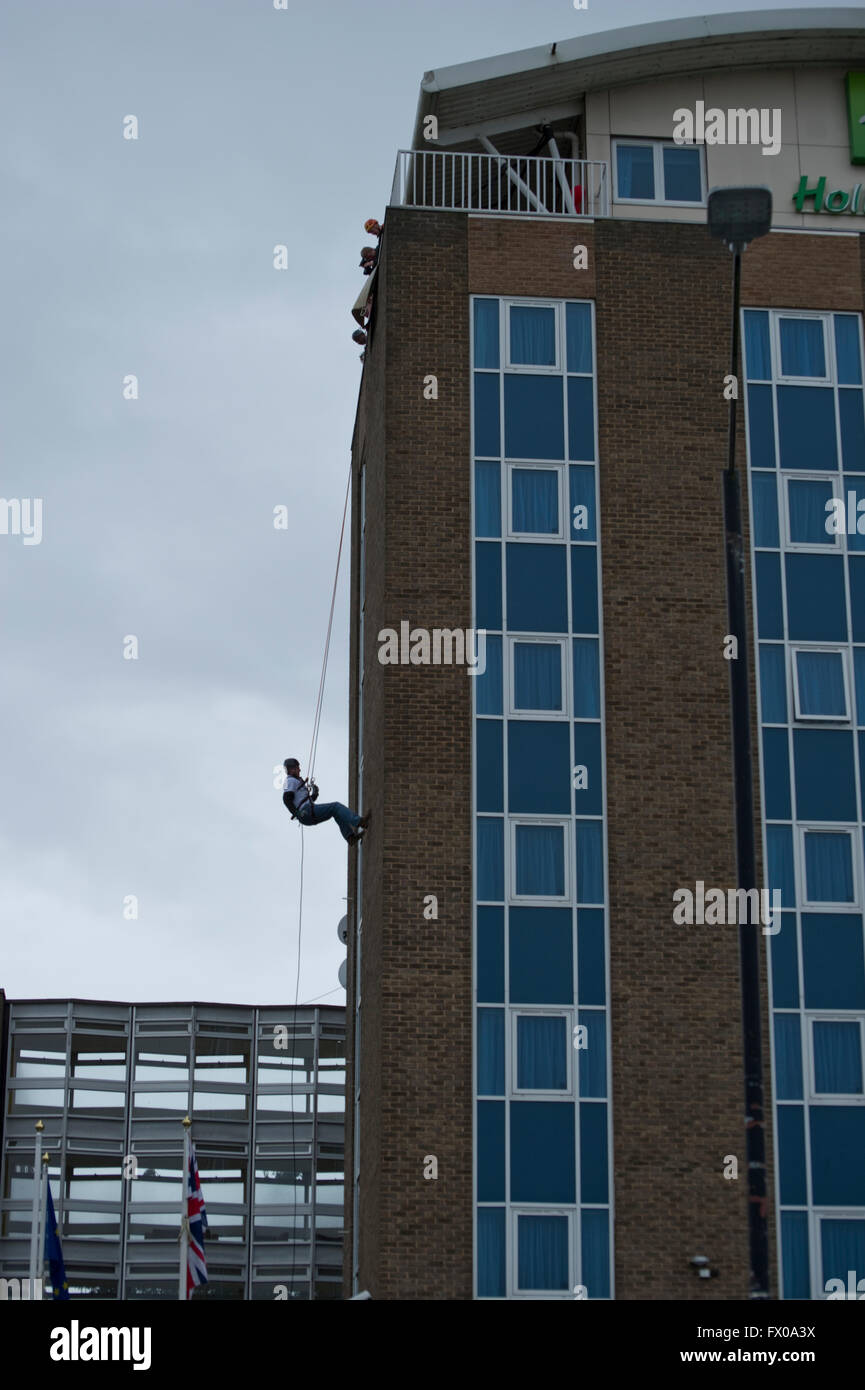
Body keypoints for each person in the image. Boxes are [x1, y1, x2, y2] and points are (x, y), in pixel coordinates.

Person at [281, 758, 370, 844]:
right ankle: (359, 822)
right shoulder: (290, 781)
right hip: (305, 812)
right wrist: (297, 813)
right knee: (336, 806)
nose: (299, 770)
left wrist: (314, 795)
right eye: (297, 767)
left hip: (307, 812)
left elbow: (301, 801)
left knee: (335, 812)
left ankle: (350, 837)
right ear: (291, 769)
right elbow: (286, 799)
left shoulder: (295, 781)